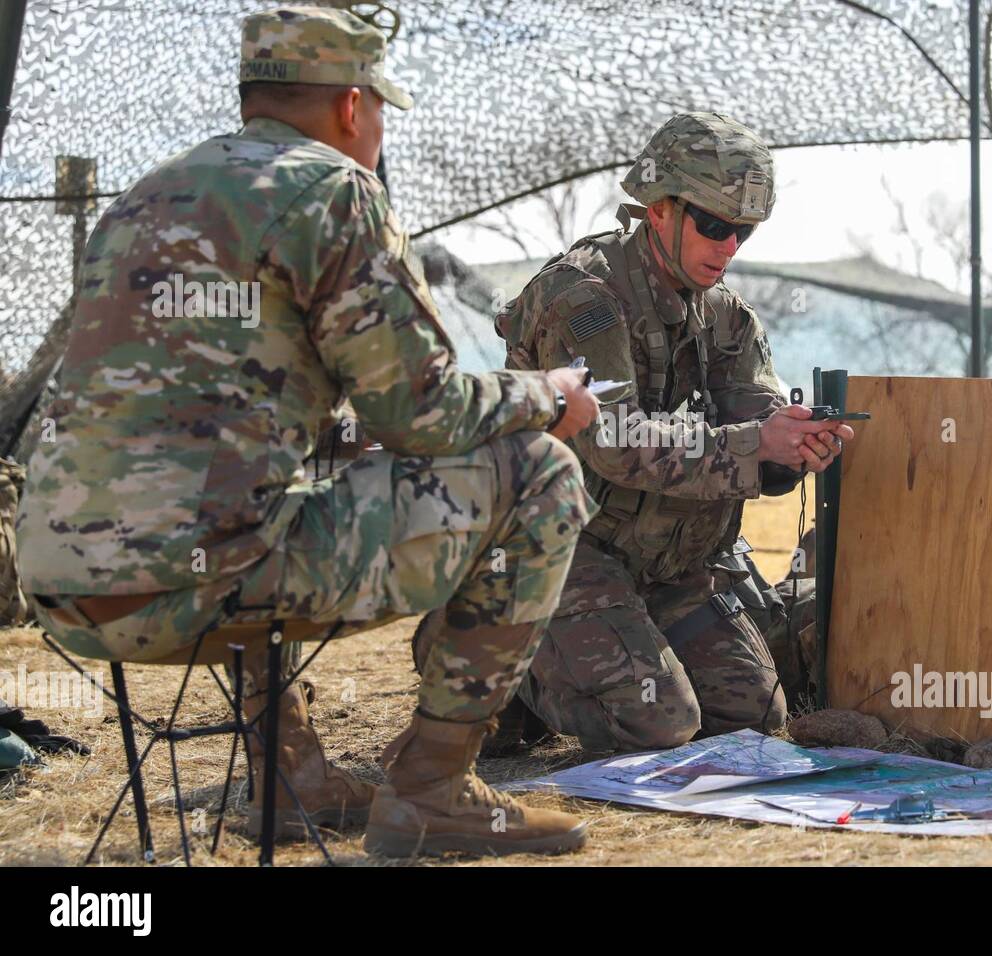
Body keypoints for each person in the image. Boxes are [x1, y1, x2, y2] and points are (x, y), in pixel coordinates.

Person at [16, 4, 600, 858]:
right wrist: (545, 394)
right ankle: (433, 790)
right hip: (195, 590)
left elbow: (200, 420)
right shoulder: (332, 190)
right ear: (353, 107)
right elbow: (422, 413)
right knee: (543, 473)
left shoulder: (144, 199)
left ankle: (290, 777)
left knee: (254, 505)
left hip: (64, 589)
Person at [484, 111, 853, 752]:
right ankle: (502, 664)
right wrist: (754, 444)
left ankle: (584, 660)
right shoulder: (585, 300)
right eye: (714, 225)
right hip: (564, 555)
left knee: (751, 716)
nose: (729, 246)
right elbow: (614, 442)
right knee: (660, 721)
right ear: (659, 209)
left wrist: (792, 443)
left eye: (743, 230)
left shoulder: (728, 319)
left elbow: (757, 421)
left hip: (669, 567)